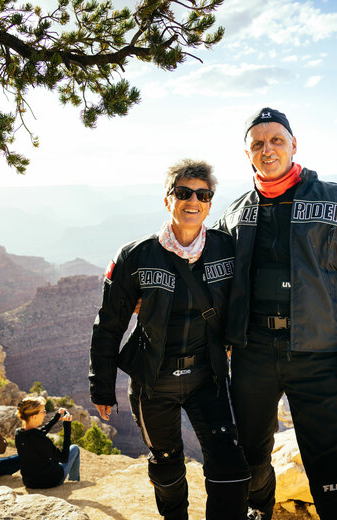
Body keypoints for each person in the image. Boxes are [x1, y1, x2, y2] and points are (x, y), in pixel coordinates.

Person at [216, 107, 337, 520]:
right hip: (253, 354)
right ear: (247, 153)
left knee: (335, 472)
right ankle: (259, 509)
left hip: (321, 355)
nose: (267, 149)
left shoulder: (336, 201)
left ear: (294, 145)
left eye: (276, 140)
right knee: (250, 454)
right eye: (258, 143)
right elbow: (210, 280)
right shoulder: (235, 215)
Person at [89, 159, 250, 520]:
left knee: (230, 466)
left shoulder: (227, 249)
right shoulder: (135, 256)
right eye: (183, 193)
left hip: (207, 377)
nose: (193, 201)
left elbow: (248, 298)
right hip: (153, 381)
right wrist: (101, 386)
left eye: (203, 195)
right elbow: (109, 324)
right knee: (166, 465)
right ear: (168, 199)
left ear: (210, 203)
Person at [14, 396, 81, 488]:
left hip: (29, 482)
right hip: (50, 481)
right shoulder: (42, 440)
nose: (45, 414)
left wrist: (56, 417)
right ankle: (74, 482)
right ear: (34, 417)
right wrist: (67, 427)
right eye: (43, 412)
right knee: (75, 448)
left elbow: (39, 433)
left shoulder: (19, 434)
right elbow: (64, 458)